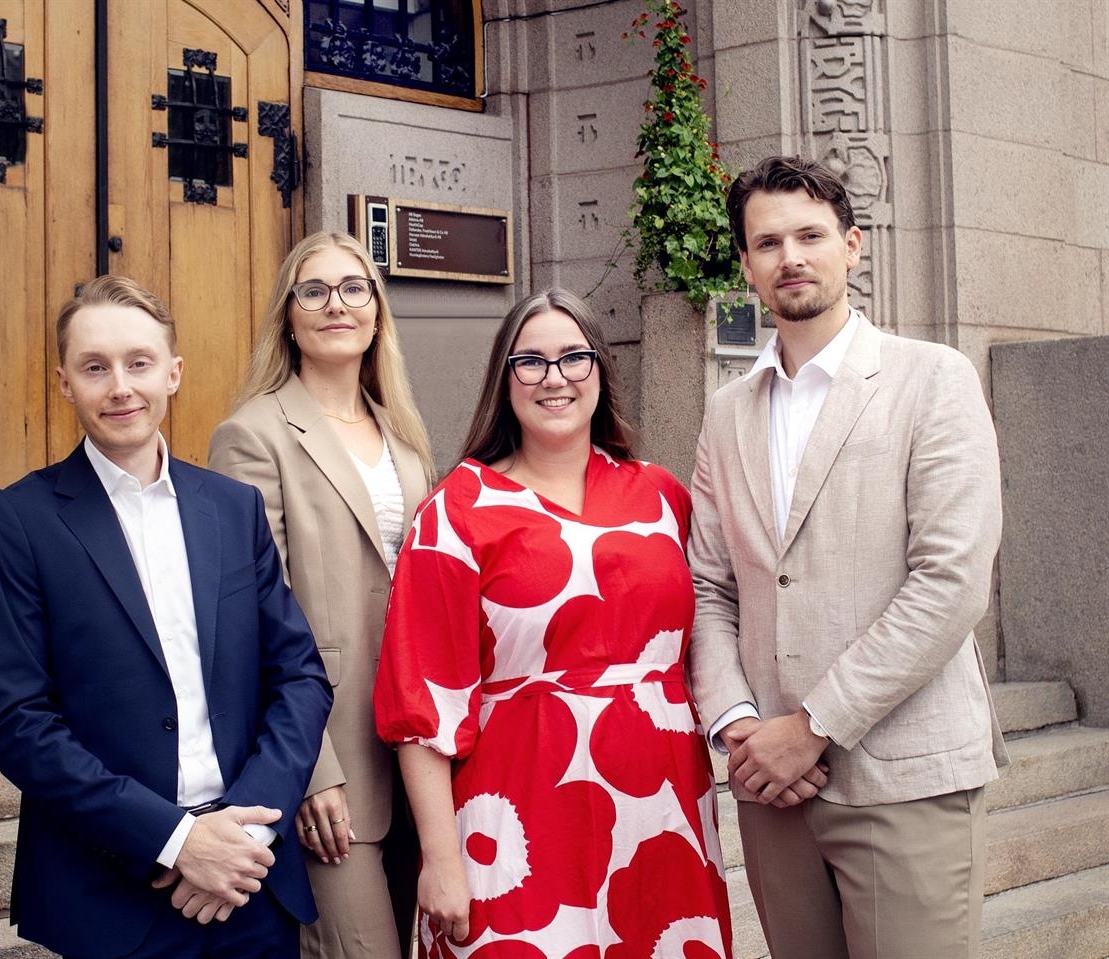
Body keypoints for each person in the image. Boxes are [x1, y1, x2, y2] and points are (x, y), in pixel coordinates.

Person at [687, 155, 1006, 959]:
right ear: (749, 266)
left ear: (853, 246)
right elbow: (709, 586)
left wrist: (817, 724)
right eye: (767, 242)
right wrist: (738, 726)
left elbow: (951, 581)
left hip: (904, 775)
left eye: (809, 235)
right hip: (773, 788)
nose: (789, 256)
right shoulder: (726, 412)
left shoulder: (933, 379)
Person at [0, 275, 333, 959]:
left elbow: (300, 678)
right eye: (94, 367)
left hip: (251, 882)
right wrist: (175, 840)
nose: (120, 387)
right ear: (63, 382)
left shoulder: (233, 508)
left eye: (139, 362)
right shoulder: (21, 519)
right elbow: (18, 720)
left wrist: (245, 833)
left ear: (173, 373)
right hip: (112, 893)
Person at [374, 289, 732, 959]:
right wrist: (441, 856)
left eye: (573, 356)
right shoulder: (455, 511)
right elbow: (423, 707)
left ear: (600, 369)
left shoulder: (661, 495)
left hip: (661, 810)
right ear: (503, 379)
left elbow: (713, 632)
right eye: (530, 361)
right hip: (517, 820)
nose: (555, 376)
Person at [207, 231, 435, 959]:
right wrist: (308, 771)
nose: (336, 304)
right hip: (328, 748)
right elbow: (252, 618)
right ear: (289, 315)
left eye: (354, 287)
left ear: (376, 312)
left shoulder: (403, 434)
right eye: (314, 290)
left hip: (418, 742)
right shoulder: (253, 434)